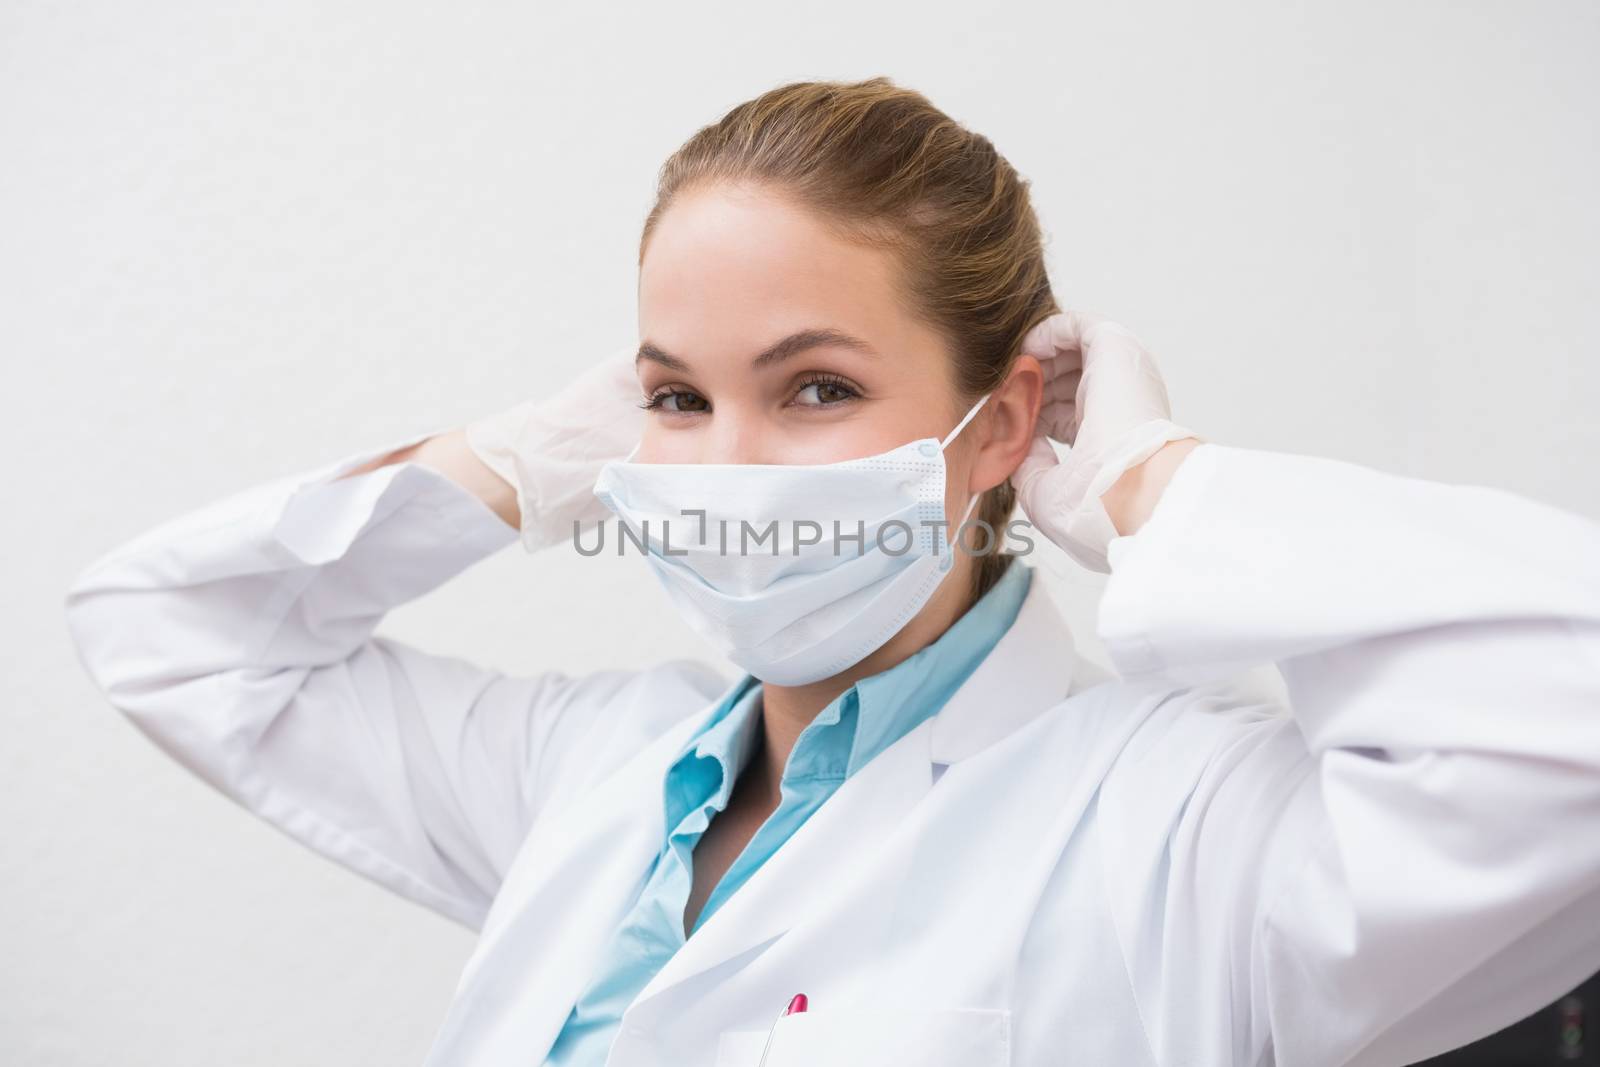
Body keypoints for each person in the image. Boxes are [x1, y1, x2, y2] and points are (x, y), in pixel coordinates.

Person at [64, 77, 1600, 1067]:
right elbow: (170, 636)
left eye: (813, 389)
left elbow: (1570, 723)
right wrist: (521, 461)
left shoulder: (1183, 824)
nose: (722, 464)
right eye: (679, 397)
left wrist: (1151, 490)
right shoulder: (588, 774)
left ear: (996, 425)